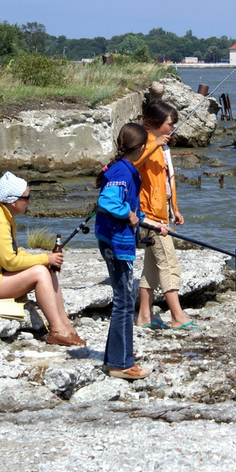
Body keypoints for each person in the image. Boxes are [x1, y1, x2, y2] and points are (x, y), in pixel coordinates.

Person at [0, 171, 83, 347]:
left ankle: (66, 326)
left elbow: (15, 253)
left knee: (47, 268)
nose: (29, 201)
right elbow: (10, 262)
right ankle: (57, 330)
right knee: (40, 271)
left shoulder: (3, 215)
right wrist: (45, 258)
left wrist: (47, 260)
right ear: (13, 201)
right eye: (27, 197)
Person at [94, 123, 162, 379]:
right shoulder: (122, 171)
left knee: (123, 300)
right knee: (123, 302)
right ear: (142, 147)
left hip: (116, 239)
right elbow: (108, 201)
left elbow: (128, 204)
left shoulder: (124, 167)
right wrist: (129, 215)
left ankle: (114, 359)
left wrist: (150, 222)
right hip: (115, 242)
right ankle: (120, 364)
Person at [135, 100, 197, 330]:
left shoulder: (163, 146)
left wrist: (175, 209)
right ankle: (178, 316)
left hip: (161, 214)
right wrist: (154, 145)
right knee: (169, 264)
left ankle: (143, 317)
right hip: (149, 216)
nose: (172, 128)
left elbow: (167, 180)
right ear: (157, 122)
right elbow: (130, 165)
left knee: (151, 267)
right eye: (170, 124)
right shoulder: (142, 141)